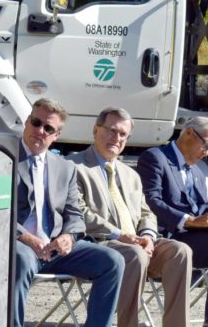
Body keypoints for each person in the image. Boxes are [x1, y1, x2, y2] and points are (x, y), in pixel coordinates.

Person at [68, 107, 192, 327]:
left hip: (137, 244)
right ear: (96, 130)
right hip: (101, 245)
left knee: (180, 251)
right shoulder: (74, 166)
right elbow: (79, 212)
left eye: (123, 134)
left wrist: (148, 235)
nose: (117, 138)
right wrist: (121, 235)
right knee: (135, 254)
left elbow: (146, 212)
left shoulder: (130, 174)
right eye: (112, 131)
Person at [14, 98, 124, 327]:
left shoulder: (65, 168)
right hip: (19, 244)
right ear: (26, 122)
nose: (40, 130)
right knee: (21, 260)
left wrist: (69, 237)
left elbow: (75, 215)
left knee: (113, 261)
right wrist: (24, 237)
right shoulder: (5, 157)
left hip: (55, 249)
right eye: (36, 122)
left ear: (57, 135)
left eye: (49, 128)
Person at [137, 116, 208, 327]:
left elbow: (203, 205)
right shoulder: (155, 157)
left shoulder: (197, 168)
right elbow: (151, 202)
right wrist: (189, 221)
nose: (207, 152)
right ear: (188, 133)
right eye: (206, 144)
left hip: (196, 237)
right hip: (168, 237)